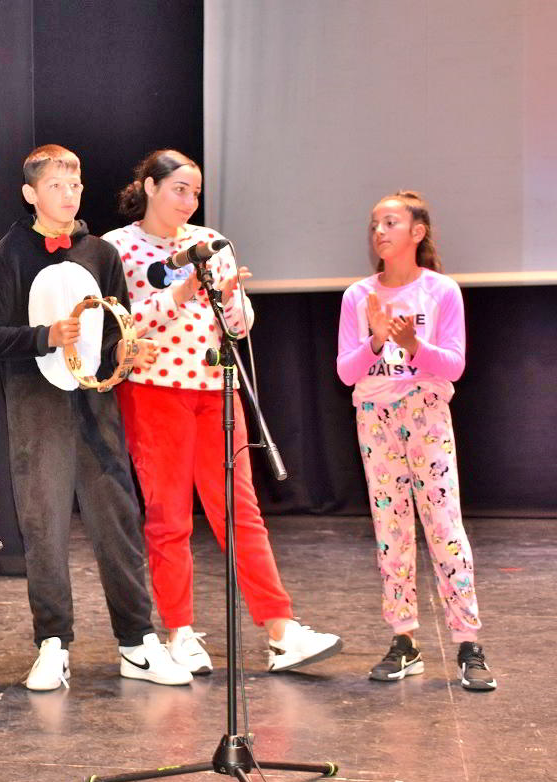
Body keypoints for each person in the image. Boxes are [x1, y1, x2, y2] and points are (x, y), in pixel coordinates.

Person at [103, 149, 341, 675]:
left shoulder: (212, 244)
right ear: (149, 187)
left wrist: (231, 297)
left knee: (240, 510)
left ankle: (280, 629)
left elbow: (237, 328)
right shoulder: (117, 248)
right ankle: (180, 632)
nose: (189, 201)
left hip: (218, 388)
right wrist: (181, 292)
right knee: (168, 516)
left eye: (195, 191)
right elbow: (122, 325)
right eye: (178, 189)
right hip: (154, 390)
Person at [0, 144, 192, 691]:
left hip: (96, 406)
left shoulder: (100, 253)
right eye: (56, 184)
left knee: (116, 517)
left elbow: (117, 329)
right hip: (36, 408)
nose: (69, 192)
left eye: (75, 183)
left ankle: (137, 641)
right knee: (43, 524)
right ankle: (53, 642)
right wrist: (45, 337)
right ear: (31, 193)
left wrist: (126, 353)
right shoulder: (8, 254)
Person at [337, 190, 495, 690]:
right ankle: (404, 640)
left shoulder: (441, 291)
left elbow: (455, 364)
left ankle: (469, 641)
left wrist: (413, 345)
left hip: (425, 414)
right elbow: (346, 372)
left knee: (444, 527)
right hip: (375, 417)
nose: (380, 231)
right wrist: (377, 340)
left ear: (417, 232)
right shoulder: (358, 296)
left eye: (391, 222)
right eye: (375, 224)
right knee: (392, 529)